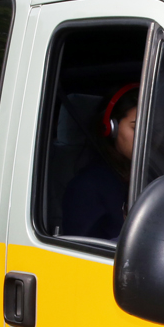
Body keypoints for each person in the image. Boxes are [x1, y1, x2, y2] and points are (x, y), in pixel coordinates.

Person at [61, 83, 138, 240]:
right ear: (111, 128)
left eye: (155, 128)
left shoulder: (159, 174)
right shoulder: (89, 186)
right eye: (136, 128)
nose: (150, 136)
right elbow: (81, 253)